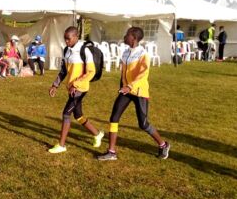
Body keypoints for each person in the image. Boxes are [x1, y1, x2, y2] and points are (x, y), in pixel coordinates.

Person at [97, 27, 170, 161]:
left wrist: (130, 86)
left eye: (127, 35)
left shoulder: (143, 54)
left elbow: (143, 74)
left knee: (143, 124)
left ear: (134, 38)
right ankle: (111, 152)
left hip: (139, 92)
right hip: (126, 91)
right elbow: (123, 73)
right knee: (114, 118)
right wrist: (122, 87)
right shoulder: (126, 52)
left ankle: (163, 144)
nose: (125, 37)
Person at [48, 26, 104, 154]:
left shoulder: (84, 51)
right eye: (65, 39)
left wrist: (76, 84)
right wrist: (55, 85)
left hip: (80, 89)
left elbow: (91, 72)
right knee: (78, 115)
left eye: (68, 39)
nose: (66, 41)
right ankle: (97, 134)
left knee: (66, 114)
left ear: (76, 36)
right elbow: (63, 70)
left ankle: (61, 145)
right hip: (71, 89)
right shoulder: (67, 50)